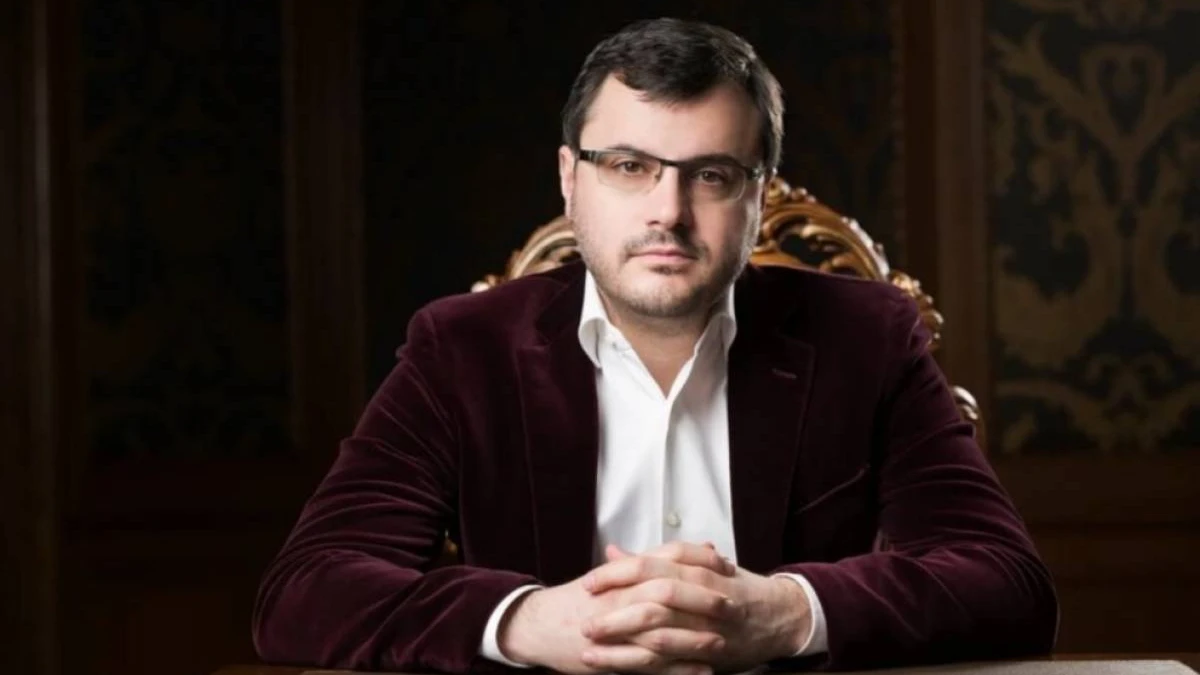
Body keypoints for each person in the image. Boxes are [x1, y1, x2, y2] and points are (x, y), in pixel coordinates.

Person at [253, 17, 1058, 675]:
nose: (667, 212)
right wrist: (529, 620)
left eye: (711, 174)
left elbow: (1007, 580)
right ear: (570, 178)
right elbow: (305, 590)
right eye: (629, 165)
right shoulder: (462, 348)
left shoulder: (866, 339)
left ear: (759, 193)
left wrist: (784, 613)